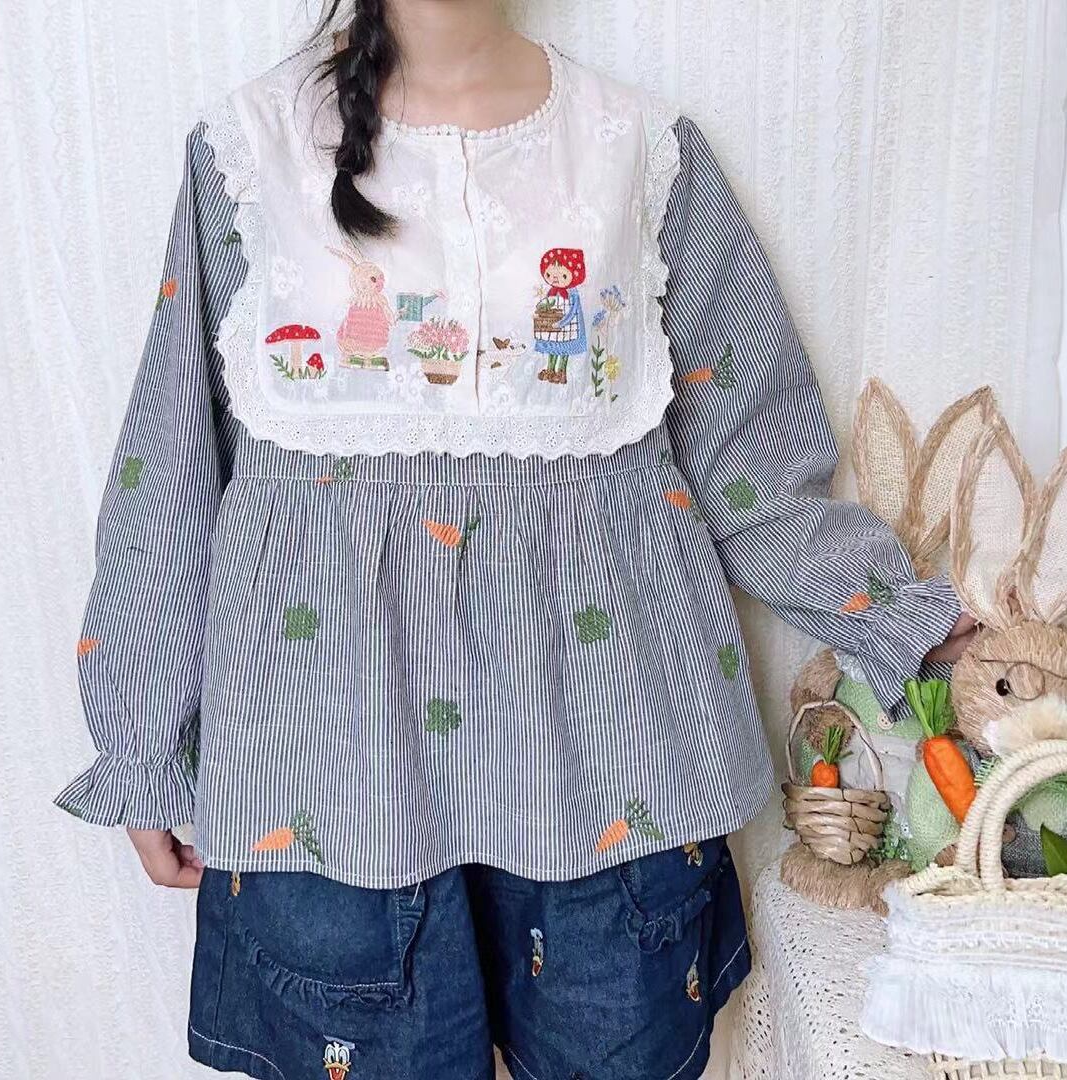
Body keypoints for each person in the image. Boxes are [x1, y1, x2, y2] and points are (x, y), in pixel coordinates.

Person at [55, 2, 976, 1077]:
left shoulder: (640, 151)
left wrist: (905, 621)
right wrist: (146, 747)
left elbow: (750, 458)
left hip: (609, 766)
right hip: (328, 775)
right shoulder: (246, 154)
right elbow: (170, 470)